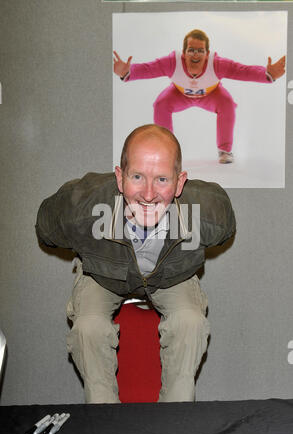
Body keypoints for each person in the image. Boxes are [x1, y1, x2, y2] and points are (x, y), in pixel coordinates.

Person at [36, 124, 236, 403]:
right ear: (120, 178)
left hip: (171, 276)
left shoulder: (206, 216)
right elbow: (46, 229)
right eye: (138, 177)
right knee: (88, 328)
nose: (149, 194)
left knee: (189, 322)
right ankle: (106, 421)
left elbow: (226, 226)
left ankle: (175, 422)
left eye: (163, 180)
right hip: (104, 275)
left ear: (180, 183)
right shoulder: (82, 209)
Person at [113, 29, 286, 164]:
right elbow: (148, 69)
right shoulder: (172, 62)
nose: (195, 54)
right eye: (191, 50)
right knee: (160, 104)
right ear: (183, 53)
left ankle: (225, 151)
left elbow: (243, 71)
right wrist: (127, 72)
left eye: (200, 51)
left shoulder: (218, 64)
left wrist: (267, 74)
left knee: (227, 103)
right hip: (179, 94)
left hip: (211, 95)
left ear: (207, 53)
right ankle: (165, 150)